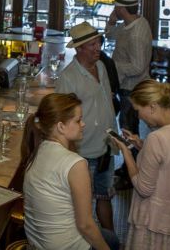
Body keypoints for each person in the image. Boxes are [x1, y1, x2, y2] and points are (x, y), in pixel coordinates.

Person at [22, 93, 119, 250]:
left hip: (38, 242)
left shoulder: (37, 150)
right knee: (112, 241)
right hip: (65, 246)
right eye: (78, 120)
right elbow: (85, 225)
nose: (83, 124)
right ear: (60, 127)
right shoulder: (75, 165)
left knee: (110, 237)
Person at [112, 80, 170, 250]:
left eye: (138, 110)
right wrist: (141, 145)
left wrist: (127, 153)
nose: (138, 116)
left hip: (155, 222)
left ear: (152, 107)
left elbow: (143, 188)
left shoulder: (157, 138)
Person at [56, 22, 117, 233]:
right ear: (79, 48)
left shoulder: (101, 67)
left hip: (106, 147)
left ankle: (111, 242)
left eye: (98, 42)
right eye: (91, 45)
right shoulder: (68, 78)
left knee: (105, 196)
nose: (97, 48)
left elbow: (107, 102)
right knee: (82, 207)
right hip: (83, 153)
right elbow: (62, 120)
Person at [105, 0, 153, 137]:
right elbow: (110, 35)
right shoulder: (133, 23)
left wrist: (114, 66)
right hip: (126, 85)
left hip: (131, 88)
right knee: (128, 125)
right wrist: (111, 22)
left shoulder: (135, 34)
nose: (114, 10)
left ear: (122, 9)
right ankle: (131, 158)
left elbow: (138, 67)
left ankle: (132, 159)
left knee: (128, 127)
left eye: (116, 7)